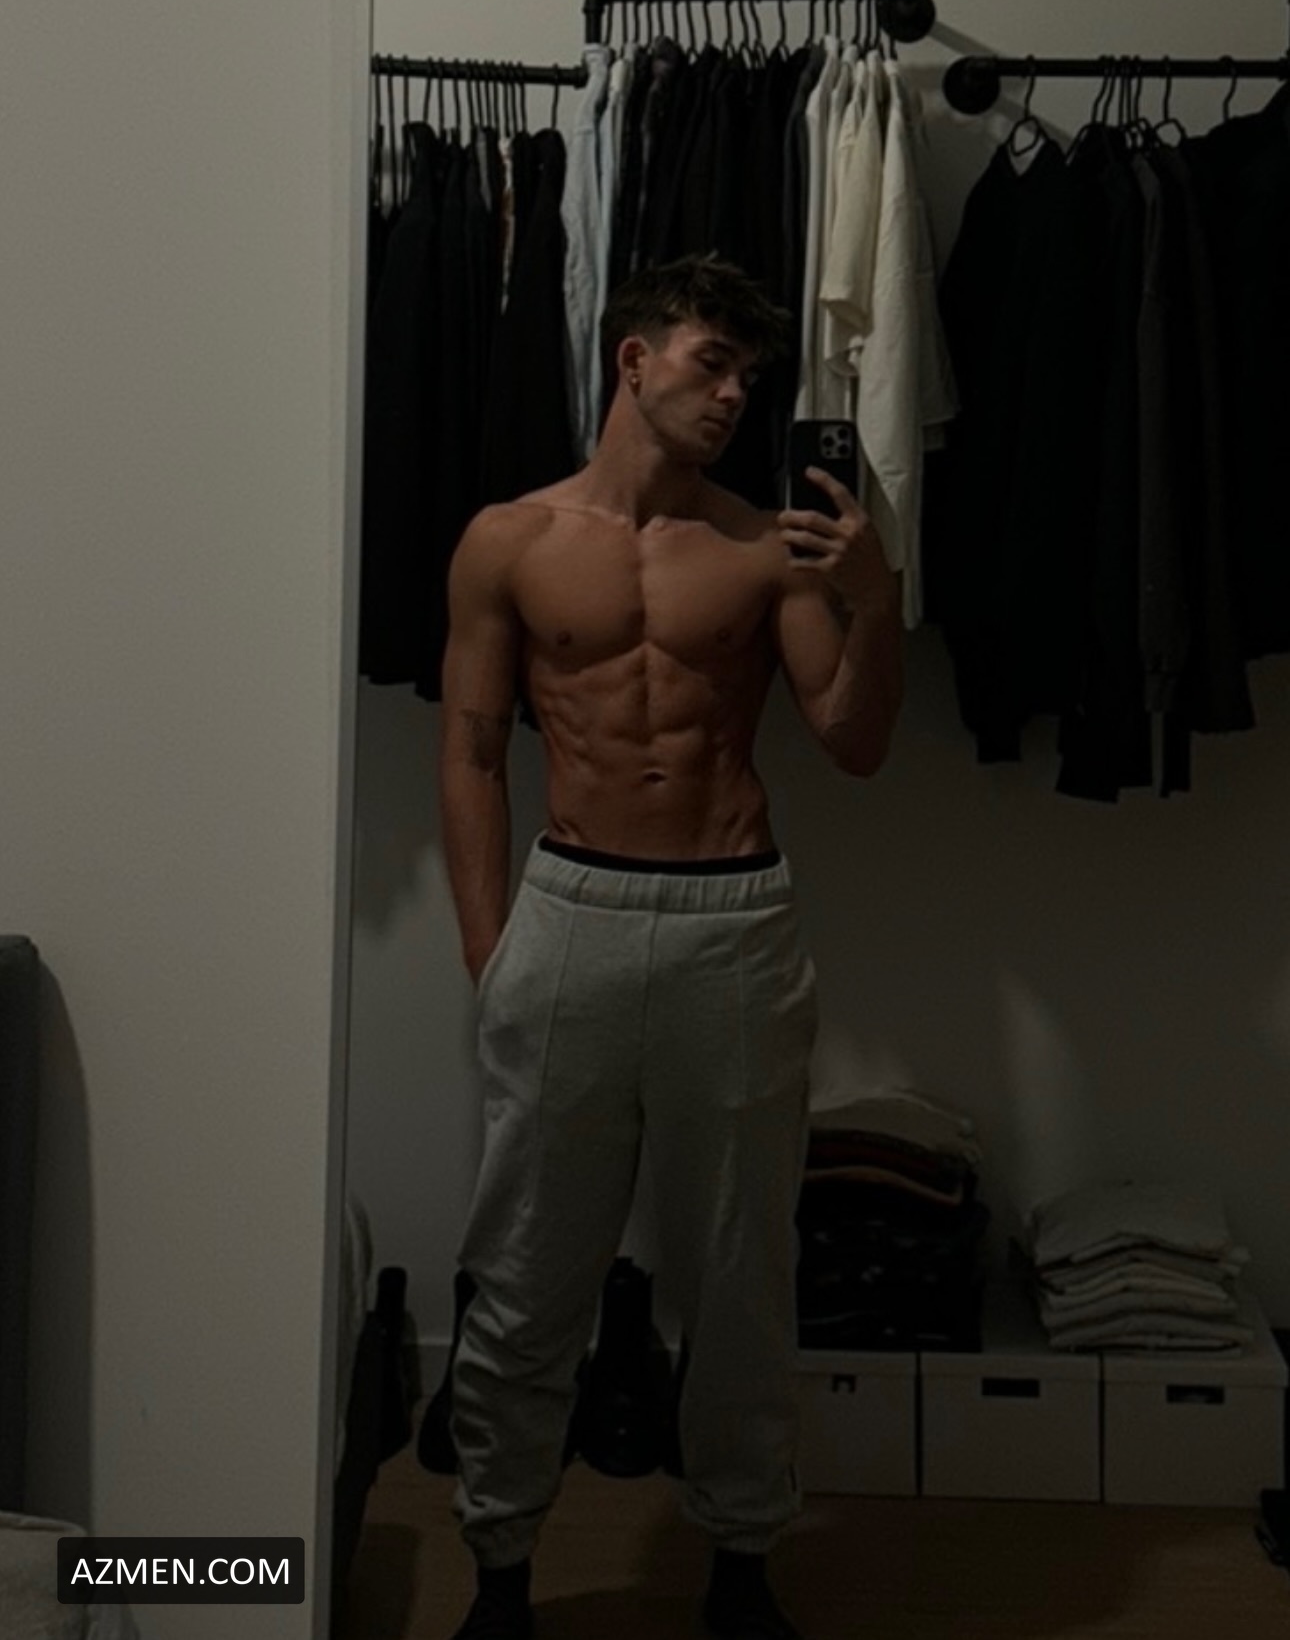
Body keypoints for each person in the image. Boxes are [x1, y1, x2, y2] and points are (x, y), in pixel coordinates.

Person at [439, 254, 903, 1640]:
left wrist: (875, 596)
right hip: (569, 912)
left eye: (749, 375)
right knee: (527, 1271)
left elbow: (854, 743)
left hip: (731, 924)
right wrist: (492, 953)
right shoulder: (508, 540)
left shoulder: (763, 548)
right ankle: (501, 1573)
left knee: (742, 1278)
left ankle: (741, 1565)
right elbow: (471, 752)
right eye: (712, 362)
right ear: (633, 359)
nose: (735, 393)